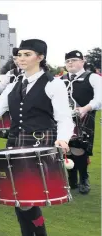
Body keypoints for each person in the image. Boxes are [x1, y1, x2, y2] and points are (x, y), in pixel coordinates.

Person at [0, 39, 73, 236]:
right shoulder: (14, 85)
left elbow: (64, 117)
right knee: (19, 199)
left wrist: (63, 138)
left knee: (30, 199)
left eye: (27, 54)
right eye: (19, 55)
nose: (21, 59)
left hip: (40, 144)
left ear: (41, 57)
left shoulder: (54, 84)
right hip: (16, 142)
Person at [61, 50, 102, 194]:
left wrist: (86, 108)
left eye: (73, 60)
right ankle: (71, 179)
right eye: (67, 61)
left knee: (80, 148)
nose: (70, 63)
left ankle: (84, 178)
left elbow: (99, 99)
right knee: (66, 147)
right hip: (65, 118)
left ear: (82, 62)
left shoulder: (93, 77)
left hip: (85, 116)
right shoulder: (61, 79)